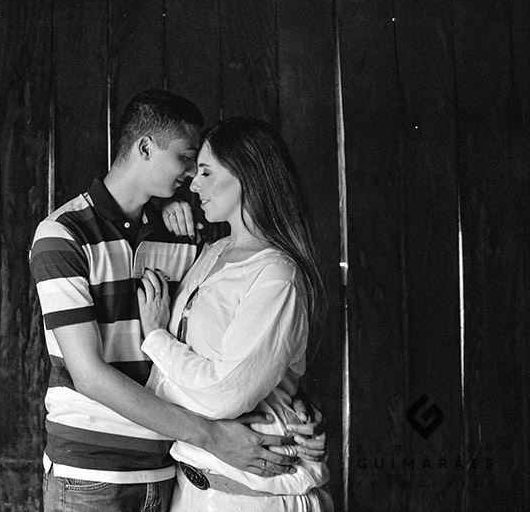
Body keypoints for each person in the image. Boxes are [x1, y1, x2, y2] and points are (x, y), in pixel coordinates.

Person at [31, 91, 324, 512]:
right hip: (95, 474)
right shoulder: (64, 235)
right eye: (187, 159)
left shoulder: (190, 238)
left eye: (201, 166)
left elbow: (243, 345)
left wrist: (293, 408)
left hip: (170, 469)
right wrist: (210, 435)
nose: (191, 176)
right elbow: (89, 375)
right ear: (145, 147)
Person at [138, 116, 333, 511]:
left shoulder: (277, 274)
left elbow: (224, 395)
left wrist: (156, 337)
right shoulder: (211, 254)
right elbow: (168, 382)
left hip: (257, 497)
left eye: (207, 172)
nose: (194, 184)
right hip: (191, 489)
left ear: (246, 176)